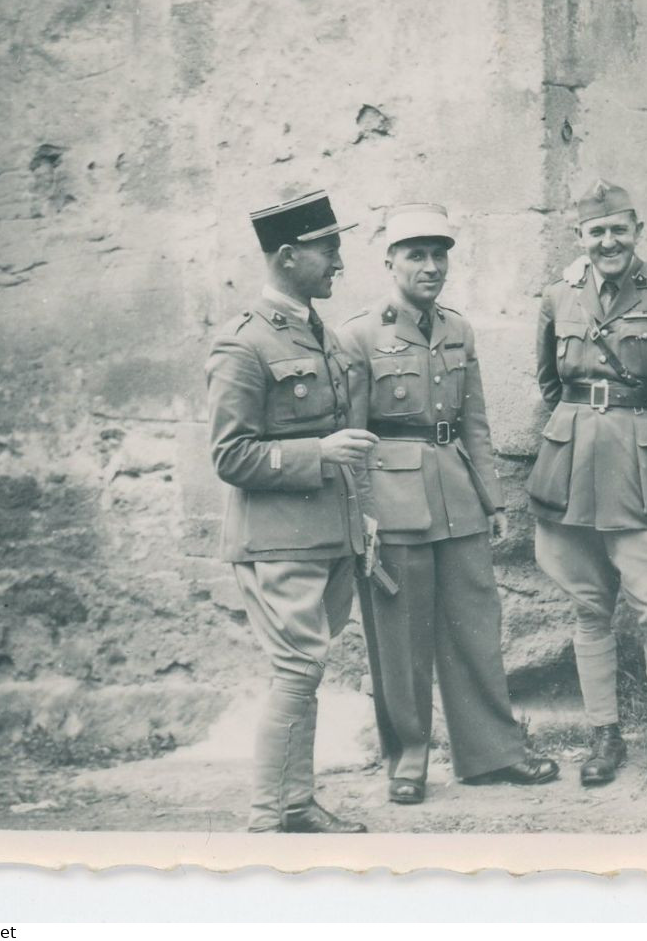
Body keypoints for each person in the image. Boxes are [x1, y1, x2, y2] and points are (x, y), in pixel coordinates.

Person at [340, 202, 560, 806]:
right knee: (400, 638)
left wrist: (491, 497)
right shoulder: (358, 334)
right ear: (390, 261)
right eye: (417, 254)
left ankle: (492, 754)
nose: (431, 266)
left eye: (439, 254)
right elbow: (352, 437)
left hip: (457, 495)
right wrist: (361, 514)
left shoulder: (458, 329)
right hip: (392, 501)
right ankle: (408, 760)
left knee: (475, 630)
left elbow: (475, 421)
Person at [527, 179, 647, 790]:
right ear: (579, 237)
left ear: (637, 229)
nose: (607, 241)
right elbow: (548, 382)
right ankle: (604, 737)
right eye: (595, 231)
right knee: (589, 609)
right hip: (574, 469)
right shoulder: (559, 295)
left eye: (619, 229)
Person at [205, 189, 378, 833]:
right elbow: (230, 457)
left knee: (305, 670)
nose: (338, 258)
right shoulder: (243, 345)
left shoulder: (318, 332)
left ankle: (294, 804)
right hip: (278, 542)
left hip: (325, 535)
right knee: (297, 670)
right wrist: (320, 452)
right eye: (327, 246)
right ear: (287, 255)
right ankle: (270, 816)